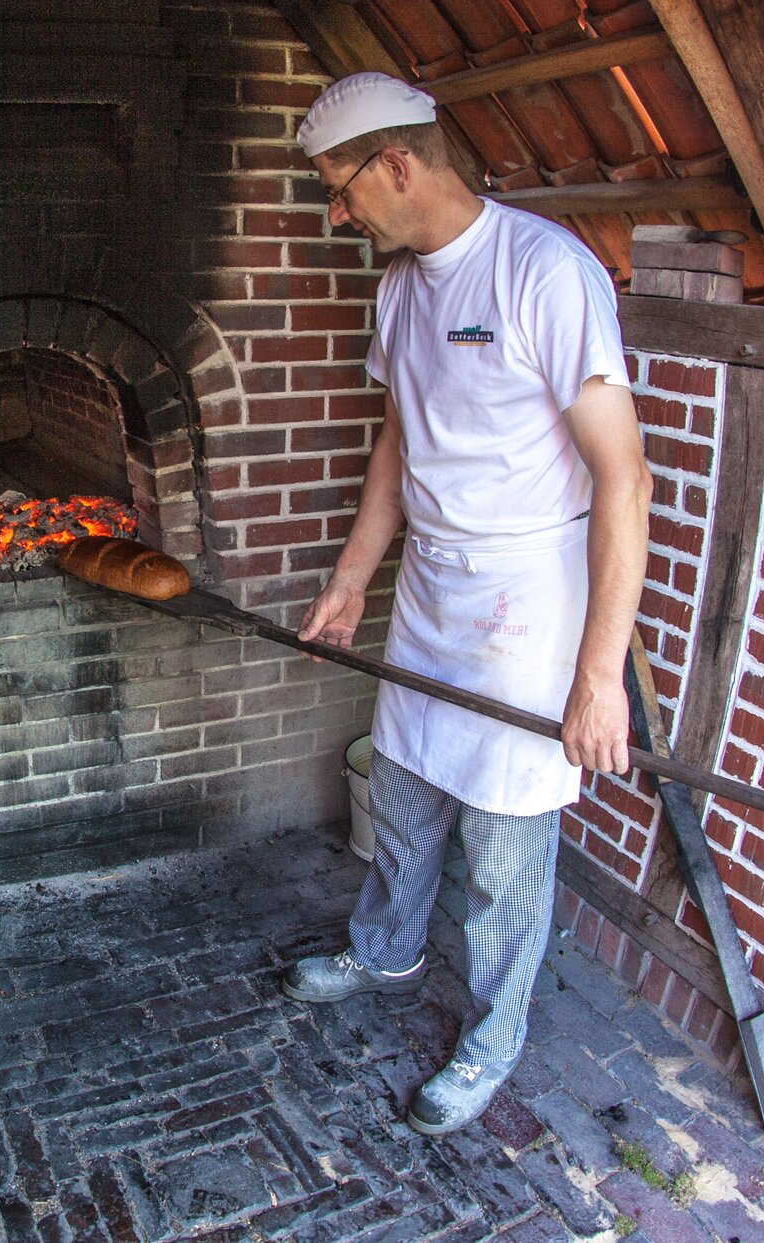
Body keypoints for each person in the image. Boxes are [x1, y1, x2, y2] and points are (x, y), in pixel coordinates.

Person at [279, 72, 653, 1136]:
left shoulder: (545, 271)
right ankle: (386, 949)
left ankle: (494, 1037)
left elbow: (624, 479)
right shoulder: (401, 291)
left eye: (341, 190)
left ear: (397, 163)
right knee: (402, 787)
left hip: (529, 599)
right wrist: (352, 579)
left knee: (503, 845)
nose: (338, 214)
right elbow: (398, 443)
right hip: (436, 584)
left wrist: (599, 679)